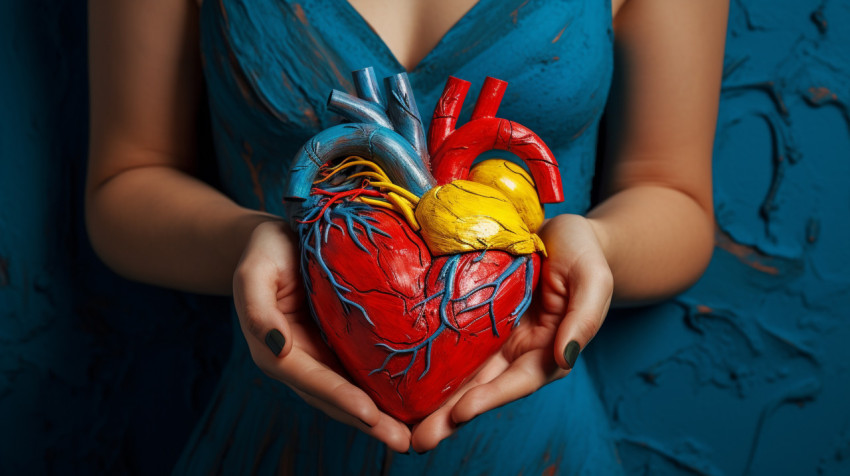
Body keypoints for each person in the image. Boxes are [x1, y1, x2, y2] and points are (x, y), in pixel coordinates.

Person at [86, 0, 727, 472]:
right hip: (276, 445)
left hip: (540, 448)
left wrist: (591, 246)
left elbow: (676, 195)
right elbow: (127, 181)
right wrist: (258, 244)